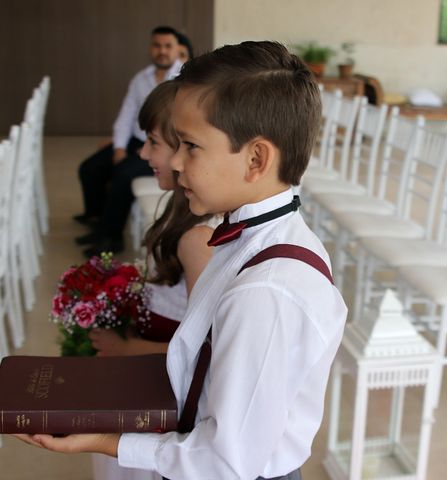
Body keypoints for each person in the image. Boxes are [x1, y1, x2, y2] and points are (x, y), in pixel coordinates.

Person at [14, 41, 348, 480]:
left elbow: (227, 460)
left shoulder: (265, 290)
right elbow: (201, 370)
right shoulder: (249, 238)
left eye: (190, 146)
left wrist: (102, 441)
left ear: (256, 158)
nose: (173, 159)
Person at [89, 81, 216, 480]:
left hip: (163, 384)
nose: (143, 153)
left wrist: (127, 348)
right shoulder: (177, 207)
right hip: (148, 363)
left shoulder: (198, 238)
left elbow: (201, 351)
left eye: (153, 142)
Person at [74, 26, 183, 257]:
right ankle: (97, 220)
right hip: (136, 140)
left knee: (122, 174)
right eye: (157, 45)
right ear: (150, 48)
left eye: (167, 46)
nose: (162, 51)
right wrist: (119, 146)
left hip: (163, 148)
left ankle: (111, 237)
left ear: (177, 49)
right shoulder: (140, 79)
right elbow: (125, 115)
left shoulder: (184, 78)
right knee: (90, 168)